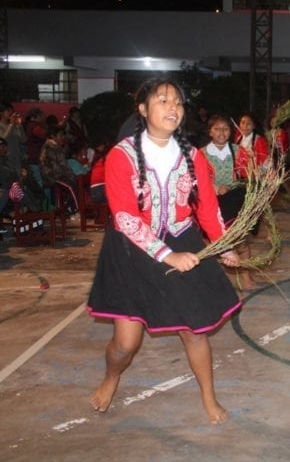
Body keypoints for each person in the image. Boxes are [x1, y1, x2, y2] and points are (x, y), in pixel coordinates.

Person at [87, 78, 242, 424]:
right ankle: (111, 377)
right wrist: (166, 255)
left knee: (195, 328)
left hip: (182, 239)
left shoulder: (192, 156)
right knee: (126, 343)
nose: (173, 108)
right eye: (163, 101)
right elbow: (125, 218)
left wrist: (223, 245)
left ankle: (208, 397)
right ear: (143, 110)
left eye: (178, 103)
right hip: (131, 250)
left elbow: (207, 208)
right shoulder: (121, 155)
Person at [201, 114, 255, 289]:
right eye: (217, 128)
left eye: (225, 128)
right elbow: (195, 180)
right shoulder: (200, 154)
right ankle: (211, 282)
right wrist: (215, 188)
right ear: (210, 131)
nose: (221, 132)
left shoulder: (239, 151)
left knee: (241, 239)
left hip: (234, 201)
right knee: (211, 244)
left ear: (231, 132)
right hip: (210, 203)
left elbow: (249, 175)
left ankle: (246, 278)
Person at [234, 112, 269, 176]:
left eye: (249, 123)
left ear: (254, 126)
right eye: (243, 122)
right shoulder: (238, 139)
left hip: (254, 178)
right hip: (239, 178)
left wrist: (256, 175)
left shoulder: (260, 140)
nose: (245, 126)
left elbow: (266, 163)